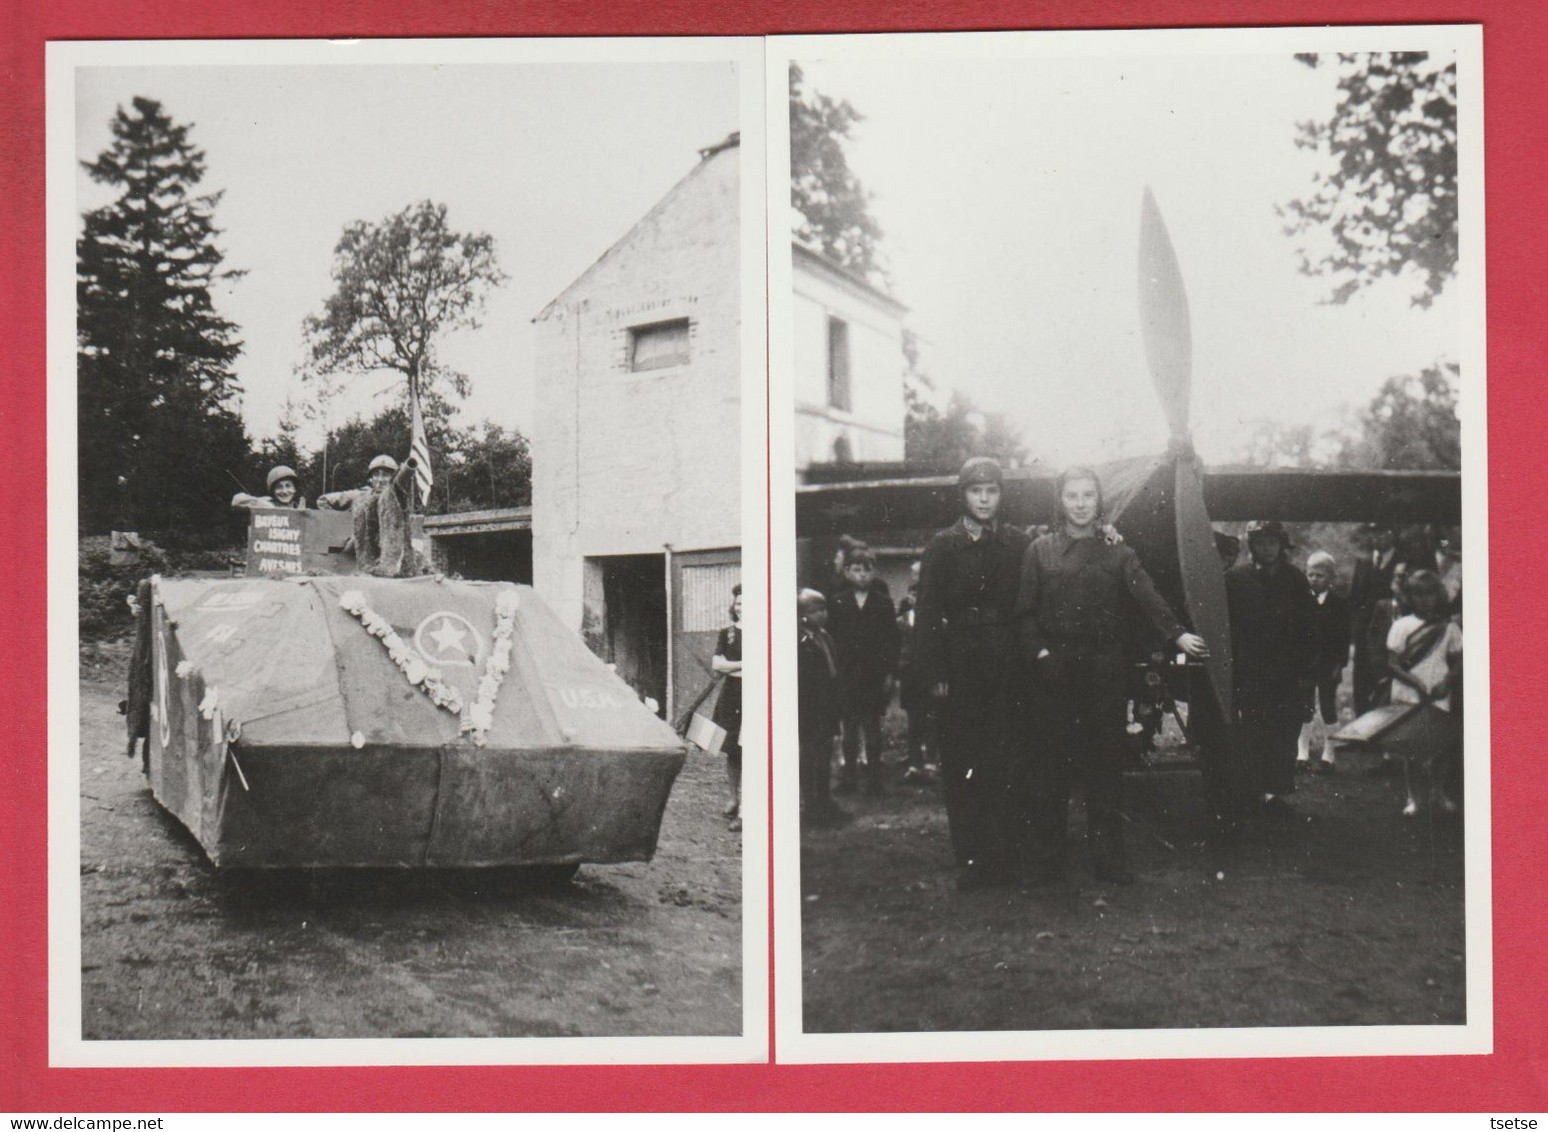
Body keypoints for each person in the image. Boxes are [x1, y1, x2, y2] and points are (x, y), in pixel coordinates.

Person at [1016, 466, 1209, 887]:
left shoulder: (1117, 551)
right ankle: (1047, 861)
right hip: (1054, 671)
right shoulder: (1039, 550)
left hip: (1104, 669)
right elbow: (1024, 614)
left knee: (1105, 766)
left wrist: (1177, 635)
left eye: (1088, 495)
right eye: (1072, 496)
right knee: (1052, 768)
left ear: (1098, 501)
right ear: (1061, 501)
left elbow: (1146, 593)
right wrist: (1043, 655)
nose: (1081, 504)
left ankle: (1108, 860)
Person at [914, 458, 1033, 890]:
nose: (984, 499)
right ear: (962, 495)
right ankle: (972, 858)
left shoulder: (1019, 544)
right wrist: (935, 673)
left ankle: (1006, 855)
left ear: (1002, 495)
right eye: (975, 491)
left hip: (1007, 662)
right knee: (964, 763)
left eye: (992, 491)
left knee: (1008, 759)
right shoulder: (943, 546)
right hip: (959, 662)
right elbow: (927, 613)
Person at [1226, 520, 1317, 817]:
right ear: (1252, 545)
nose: (1267, 549)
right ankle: (1252, 793)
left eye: (1272, 543)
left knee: (1284, 731)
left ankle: (1275, 794)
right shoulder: (1237, 579)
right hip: (1250, 668)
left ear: (1281, 546)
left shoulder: (1295, 579)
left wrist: (1305, 670)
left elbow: (1308, 627)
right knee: (1253, 730)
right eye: (1261, 543)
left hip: (1287, 670)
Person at [1386, 569, 1463, 816]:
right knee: (1413, 748)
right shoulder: (1401, 625)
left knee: (1440, 746)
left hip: (1439, 691)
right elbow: (1392, 663)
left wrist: (1448, 682)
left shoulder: (1448, 627)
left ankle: (1438, 794)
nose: (1424, 600)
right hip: (1410, 692)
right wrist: (1415, 683)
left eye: (1430, 594)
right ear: (1410, 597)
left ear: (1438, 596)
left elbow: (1459, 659)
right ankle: (1415, 799)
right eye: (1418, 594)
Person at [828, 546, 900, 796]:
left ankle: (874, 781)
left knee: (872, 728)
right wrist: (834, 672)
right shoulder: (837, 602)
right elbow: (832, 639)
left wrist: (890, 673)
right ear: (847, 572)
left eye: (866, 570)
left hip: (873, 675)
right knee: (849, 729)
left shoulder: (883, 603)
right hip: (846, 674)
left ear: (873, 573)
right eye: (856, 570)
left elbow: (892, 640)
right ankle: (848, 778)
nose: (861, 576)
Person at [317, 453, 421, 576]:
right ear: (370, 478)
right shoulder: (360, 496)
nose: (381, 480)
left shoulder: (396, 499)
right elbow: (323, 501)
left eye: (386, 475)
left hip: (390, 555)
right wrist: (351, 528)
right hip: (363, 555)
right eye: (376, 474)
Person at [797, 588, 849, 827]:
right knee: (810, 757)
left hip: (828, 706)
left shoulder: (825, 637)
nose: (821, 614)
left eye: (823, 609)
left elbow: (834, 670)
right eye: (814, 610)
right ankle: (811, 806)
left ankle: (825, 800)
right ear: (801, 614)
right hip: (809, 709)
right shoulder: (799, 641)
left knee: (825, 754)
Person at [1297, 550, 1350, 775]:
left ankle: (1329, 755)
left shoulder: (1339, 604)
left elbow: (1344, 638)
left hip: (1329, 664)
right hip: (1306, 663)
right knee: (1304, 708)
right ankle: (1301, 754)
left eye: (1320, 575)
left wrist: (1340, 664)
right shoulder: (1301, 602)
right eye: (1310, 574)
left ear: (1331, 578)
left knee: (1328, 707)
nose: (1314, 579)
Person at [1348, 525, 1399, 714]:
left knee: (1387, 684)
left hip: (1392, 635)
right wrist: (1355, 632)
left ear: (1392, 533)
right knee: (1362, 685)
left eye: (1383, 531)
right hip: (1364, 638)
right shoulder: (1363, 562)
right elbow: (1354, 601)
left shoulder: (1402, 562)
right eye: (1374, 532)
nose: (1379, 537)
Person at [895, 560, 938, 782]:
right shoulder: (902, 618)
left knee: (932, 718)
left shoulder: (934, 614)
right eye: (913, 590)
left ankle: (931, 760)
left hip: (929, 674)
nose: (916, 594)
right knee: (914, 720)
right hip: (910, 675)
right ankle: (914, 762)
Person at [712, 585, 744, 831]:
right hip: (733, 694)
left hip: (752, 694)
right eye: (739, 603)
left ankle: (746, 805)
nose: (742, 608)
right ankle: (733, 798)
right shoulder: (728, 633)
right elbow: (717, 665)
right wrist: (744, 664)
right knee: (733, 750)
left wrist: (731, 665)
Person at [231, 465, 307, 511]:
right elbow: (237, 500)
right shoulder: (267, 503)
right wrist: (264, 506)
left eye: (288, 486)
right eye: (279, 487)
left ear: (295, 489)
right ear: (273, 491)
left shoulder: (300, 509)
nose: (284, 491)